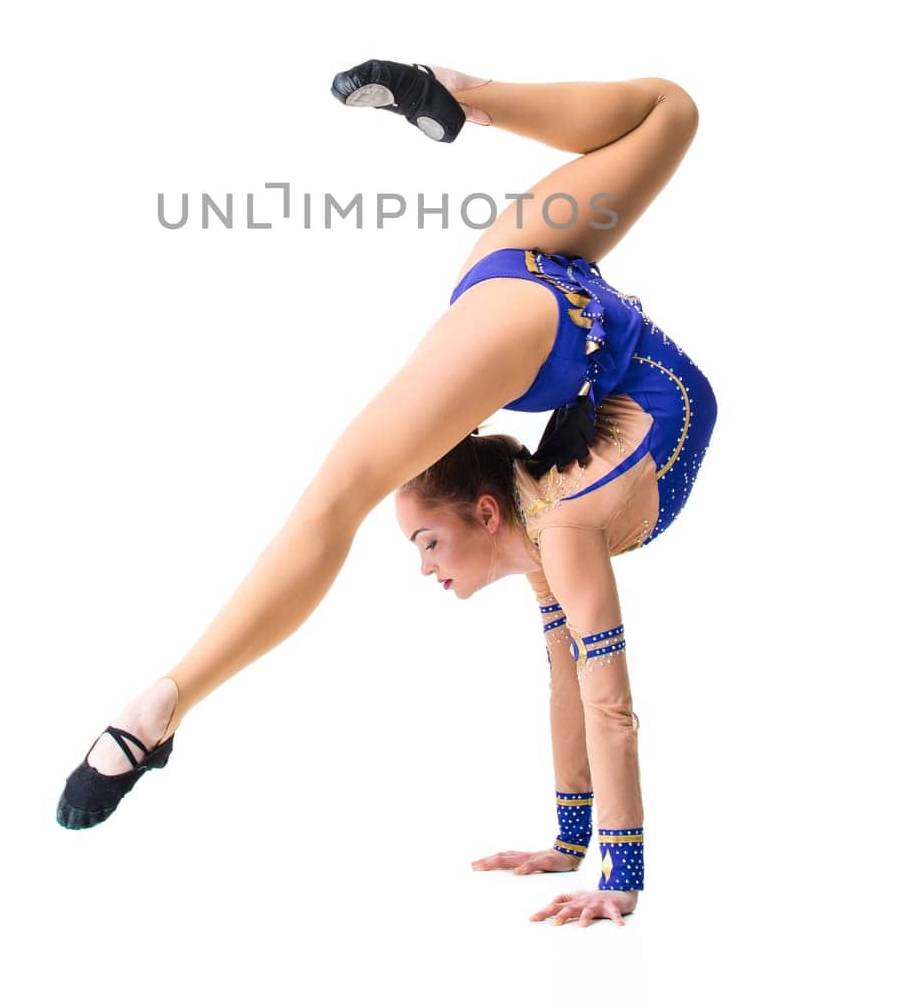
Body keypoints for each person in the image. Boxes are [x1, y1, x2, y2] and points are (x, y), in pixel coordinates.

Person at [57, 61, 718, 931]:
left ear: (490, 510)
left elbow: (586, 687)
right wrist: (587, 858)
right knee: (668, 109)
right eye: (423, 546)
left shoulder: (554, 529)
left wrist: (591, 858)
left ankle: (458, 92)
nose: (423, 569)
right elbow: (584, 687)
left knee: (671, 111)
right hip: (534, 292)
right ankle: (458, 90)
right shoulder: (550, 528)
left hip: (541, 296)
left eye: (424, 545)